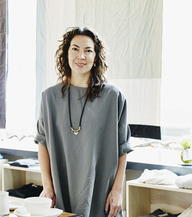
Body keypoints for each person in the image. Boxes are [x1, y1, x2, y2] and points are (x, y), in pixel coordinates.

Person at [35, 27, 133, 217]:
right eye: (75, 49)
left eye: (88, 50)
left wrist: (117, 191)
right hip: (63, 192)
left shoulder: (113, 96)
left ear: (96, 57)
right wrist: (47, 187)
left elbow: (123, 147)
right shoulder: (49, 98)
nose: (81, 56)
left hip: (102, 194)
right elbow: (43, 143)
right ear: (66, 54)